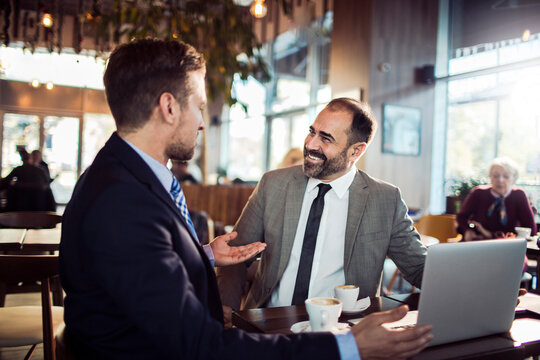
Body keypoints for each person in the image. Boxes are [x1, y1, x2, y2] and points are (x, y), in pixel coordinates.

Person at [59, 39, 432, 360]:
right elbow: (198, 345)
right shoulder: (124, 202)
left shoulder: (122, 179)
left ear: (356, 151)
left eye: (327, 138)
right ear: (169, 107)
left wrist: (203, 255)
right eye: (200, 106)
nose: (203, 121)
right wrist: (348, 349)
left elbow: (145, 268)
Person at [217, 98, 427, 311]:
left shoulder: (385, 199)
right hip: (269, 322)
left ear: (356, 151)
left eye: (325, 139)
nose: (310, 144)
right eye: (312, 131)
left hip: (344, 328)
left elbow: (419, 268)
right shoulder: (273, 184)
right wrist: (227, 310)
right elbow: (234, 256)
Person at [457, 157, 537, 241]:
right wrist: (467, 230)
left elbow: (531, 230)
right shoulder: (478, 193)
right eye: (496, 176)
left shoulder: (519, 195)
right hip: (479, 242)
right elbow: (461, 217)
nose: (500, 180)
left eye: (506, 176)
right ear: (490, 177)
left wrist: (490, 235)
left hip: (509, 245)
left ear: (513, 179)